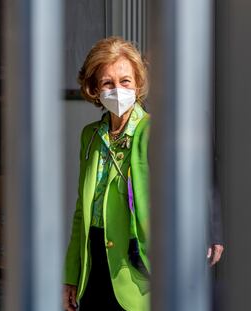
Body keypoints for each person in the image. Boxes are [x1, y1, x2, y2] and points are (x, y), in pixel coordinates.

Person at [63, 37, 152, 311]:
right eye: (107, 83)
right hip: (93, 267)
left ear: (137, 84)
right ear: (94, 88)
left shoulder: (153, 133)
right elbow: (81, 210)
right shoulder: (90, 136)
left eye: (125, 81)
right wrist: (71, 276)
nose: (117, 89)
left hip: (138, 271)